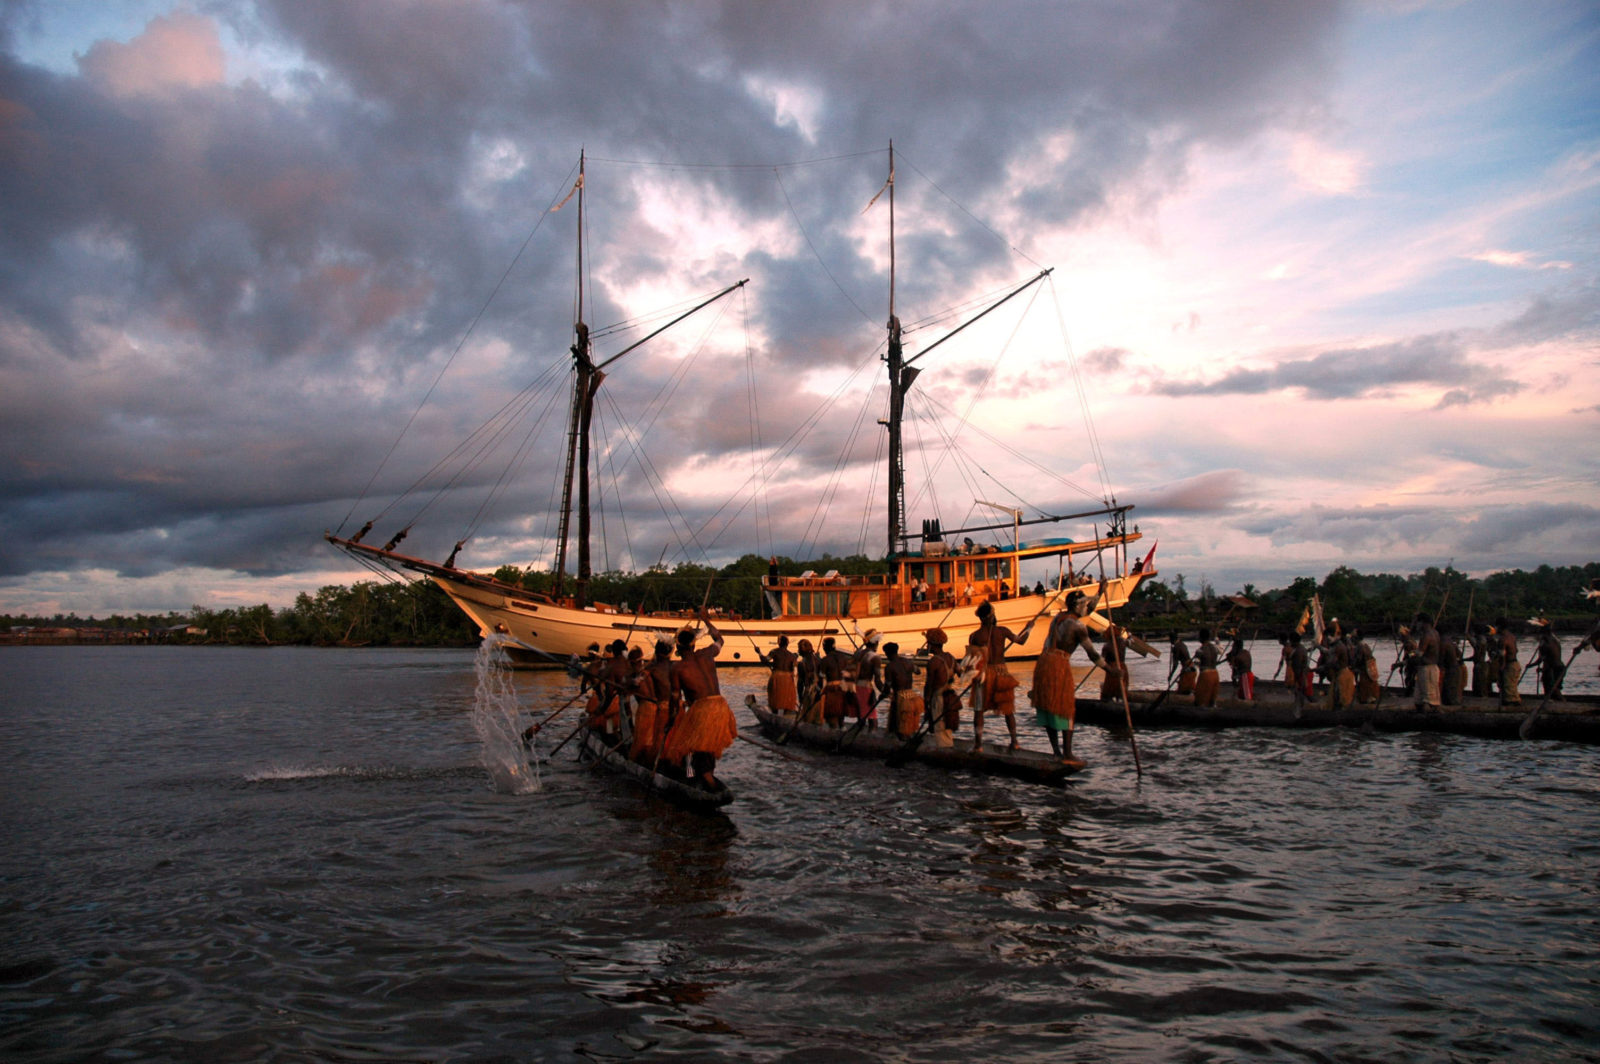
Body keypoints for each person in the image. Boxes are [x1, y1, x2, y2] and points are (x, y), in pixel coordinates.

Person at [662, 610, 738, 790]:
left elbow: (675, 697)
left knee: (685, 744)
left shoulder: (678, 668)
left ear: (678, 648)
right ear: (694, 645)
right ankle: (706, 775)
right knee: (707, 745)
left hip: (703, 708)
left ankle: (694, 777)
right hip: (721, 706)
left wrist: (671, 720)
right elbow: (720, 639)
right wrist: (706, 620)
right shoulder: (707, 653)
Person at [1029, 589, 1101, 765]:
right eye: (1084, 604)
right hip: (1058, 664)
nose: (1087, 608)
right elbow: (1092, 654)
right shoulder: (1078, 627)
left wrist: (1101, 592)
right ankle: (1067, 753)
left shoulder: (1058, 618)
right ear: (1078, 606)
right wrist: (1111, 670)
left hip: (1044, 662)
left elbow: (1088, 610)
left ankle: (1056, 752)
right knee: (1066, 706)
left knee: (1048, 706)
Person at [965, 600, 1033, 749]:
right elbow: (1021, 641)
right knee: (1008, 710)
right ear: (991, 615)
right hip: (1001, 672)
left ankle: (978, 745)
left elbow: (971, 662)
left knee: (979, 710)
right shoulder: (1002, 631)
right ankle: (1014, 741)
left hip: (984, 674)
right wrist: (1029, 628)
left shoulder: (974, 636)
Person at [629, 638, 674, 764]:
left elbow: (637, 682)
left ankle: (653, 762)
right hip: (676, 708)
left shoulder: (651, 669)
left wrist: (627, 682)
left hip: (661, 709)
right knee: (670, 740)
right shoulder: (675, 666)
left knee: (655, 740)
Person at [921, 628, 960, 748]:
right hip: (950, 696)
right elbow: (961, 673)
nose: (927, 646)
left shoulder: (934, 662)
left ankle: (944, 750)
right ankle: (949, 746)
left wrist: (926, 703)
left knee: (939, 727)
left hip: (939, 698)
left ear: (932, 644)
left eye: (928, 643)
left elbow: (929, 685)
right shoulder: (951, 657)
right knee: (948, 725)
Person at [882, 643, 922, 737]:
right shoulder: (908, 662)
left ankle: (899, 741)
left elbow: (888, 685)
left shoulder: (890, 667)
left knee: (898, 723)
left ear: (888, 653)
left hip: (899, 697)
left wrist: (884, 693)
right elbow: (918, 671)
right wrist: (911, 666)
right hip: (911, 695)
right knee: (908, 722)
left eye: (886, 654)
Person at [851, 629, 885, 730]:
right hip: (866, 688)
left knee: (861, 716)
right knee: (872, 718)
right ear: (876, 642)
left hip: (855, 687)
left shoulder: (858, 654)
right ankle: (872, 737)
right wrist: (886, 691)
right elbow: (877, 680)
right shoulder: (875, 658)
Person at [1409, 613, 1441, 711]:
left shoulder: (1426, 636)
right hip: (1430, 668)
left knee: (1428, 700)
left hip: (1427, 669)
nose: (1417, 625)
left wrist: (1406, 660)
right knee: (1420, 699)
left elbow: (1419, 655)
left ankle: (1428, 719)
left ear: (1423, 622)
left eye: (1418, 622)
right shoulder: (1435, 633)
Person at [761, 634, 799, 715]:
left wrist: (759, 653)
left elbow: (765, 660)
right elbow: (795, 670)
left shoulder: (774, 652)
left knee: (774, 697)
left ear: (779, 642)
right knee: (787, 699)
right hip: (788, 679)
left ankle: (774, 714)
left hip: (777, 677)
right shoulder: (792, 656)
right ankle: (786, 715)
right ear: (787, 643)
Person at [820, 636, 850, 726]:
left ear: (825, 647)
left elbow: (821, 676)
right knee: (841, 712)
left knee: (831, 713)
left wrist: (819, 691)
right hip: (843, 687)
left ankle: (834, 732)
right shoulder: (843, 658)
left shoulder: (825, 660)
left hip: (831, 688)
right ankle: (842, 728)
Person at [1532, 621, 1564, 700]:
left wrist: (1530, 665)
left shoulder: (1544, 643)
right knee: (1554, 689)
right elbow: (1549, 658)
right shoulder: (1555, 640)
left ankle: (1562, 702)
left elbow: (1540, 660)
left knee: (1553, 688)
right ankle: (1554, 701)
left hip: (1553, 669)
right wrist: (1542, 669)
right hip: (1560, 668)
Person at [1494, 618, 1522, 706]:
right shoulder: (1512, 636)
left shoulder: (1503, 640)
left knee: (1509, 693)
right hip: (1515, 664)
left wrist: (1501, 667)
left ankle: (1512, 708)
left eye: (1496, 627)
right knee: (1511, 690)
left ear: (1499, 627)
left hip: (1509, 666)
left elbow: (1502, 656)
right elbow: (1516, 650)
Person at [795, 638, 822, 723]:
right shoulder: (818, 660)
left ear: (803, 650)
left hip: (809, 692)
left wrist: (800, 696)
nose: (798, 651)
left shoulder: (801, 664)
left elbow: (800, 683)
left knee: (807, 717)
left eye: (799, 649)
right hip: (819, 692)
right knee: (817, 717)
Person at [1193, 628, 1221, 708]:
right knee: (1212, 700)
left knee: (1200, 699)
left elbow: (1196, 664)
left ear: (1201, 638)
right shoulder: (1215, 648)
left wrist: (1188, 669)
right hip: (1215, 674)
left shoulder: (1200, 650)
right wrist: (1216, 637)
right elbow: (1220, 649)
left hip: (1205, 675)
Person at [1351, 628, 1380, 704]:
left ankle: (1366, 698)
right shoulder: (1365, 645)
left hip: (1364, 669)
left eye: (1353, 637)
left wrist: (1353, 666)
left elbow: (1359, 659)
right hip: (1367, 669)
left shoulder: (1360, 646)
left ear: (1356, 638)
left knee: (1365, 686)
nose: (1352, 639)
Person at [1288, 631, 1312, 717]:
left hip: (1302, 675)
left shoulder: (1298, 651)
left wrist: (1297, 681)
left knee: (1303, 693)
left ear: (1293, 641)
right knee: (1304, 693)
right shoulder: (1300, 648)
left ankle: (1303, 712)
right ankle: (1305, 709)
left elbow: (1298, 667)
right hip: (1303, 674)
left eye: (1290, 641)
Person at [1226, 636, 1255, 701]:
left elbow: (1234, 668)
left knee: (1247, 698)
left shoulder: (1238, 656)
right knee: (1241, 695)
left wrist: (1231, 657)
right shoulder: (1246, 652)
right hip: (1248, 675)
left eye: (1233, 646)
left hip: (1245, 676)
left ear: (1236, 647)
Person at [1439, 628, 1463, 706]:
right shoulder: (1450, 642)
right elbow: (1460, 654)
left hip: (1451, 669)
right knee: (1452, 690)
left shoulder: (1443, 643)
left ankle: (1452, 706)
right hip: (1455, 668)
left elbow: (1441, 660)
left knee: (1450, 691)